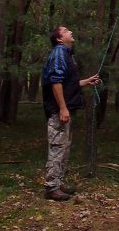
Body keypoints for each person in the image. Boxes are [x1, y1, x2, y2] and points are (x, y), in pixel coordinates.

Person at [41, 25, 100, 201]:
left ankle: (58, 184)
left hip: (64, 109)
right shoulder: (59, 53)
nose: (71, 32)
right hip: (58, 111)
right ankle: (51, 188)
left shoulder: (65, 54)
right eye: (66, 31)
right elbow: (56, 82)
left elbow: (67, 83)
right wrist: (63, 108)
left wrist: (85, 82)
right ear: (59, 38)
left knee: (64, 148)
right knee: (58, 147)